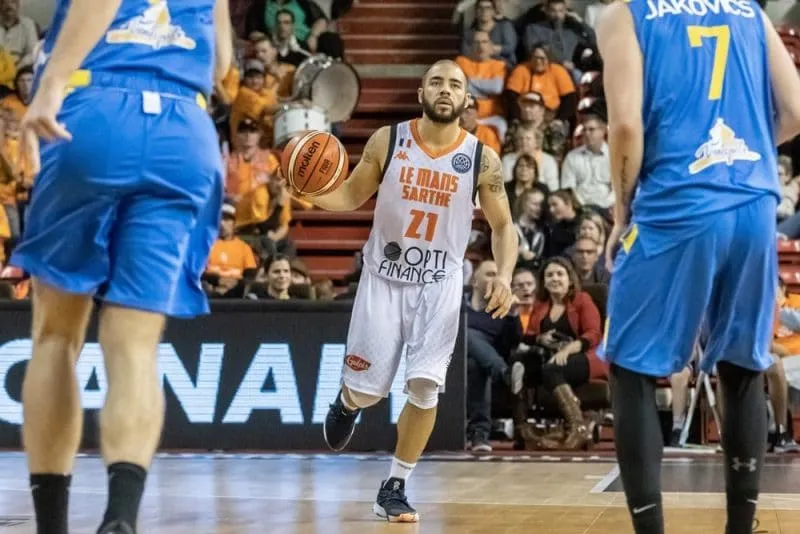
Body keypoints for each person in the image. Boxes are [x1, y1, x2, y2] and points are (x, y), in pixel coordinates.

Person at [10, 1, 232, 533]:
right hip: (186, 128)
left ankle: (52, 525)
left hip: (97, 109)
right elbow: (223, 62)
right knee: (134, 344)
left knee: (56, 335)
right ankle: (121, 518)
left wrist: (51, 83)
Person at [596, 2, 800, 533]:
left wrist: (621, 214)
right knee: (743, 366)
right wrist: (747, 152)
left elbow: (625, 125)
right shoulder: (750, 12)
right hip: (754, 205)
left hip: (676, 205)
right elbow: (797, 110)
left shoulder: (624, 14)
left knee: (630, 366)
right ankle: (740, 526)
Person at [293, 59, 518, 523]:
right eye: (436, 82)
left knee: (425, 388)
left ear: (467, 99)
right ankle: (348, 402)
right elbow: (350, 195)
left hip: (439, 284)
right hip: (384, 279)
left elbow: (503, 226)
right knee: (368, 393)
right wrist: (309, 191)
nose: (444, 89)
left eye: (454, 84)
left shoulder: (482, 158)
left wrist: (505, 275)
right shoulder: (389, 139)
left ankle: (394, 486)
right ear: (421, 93)